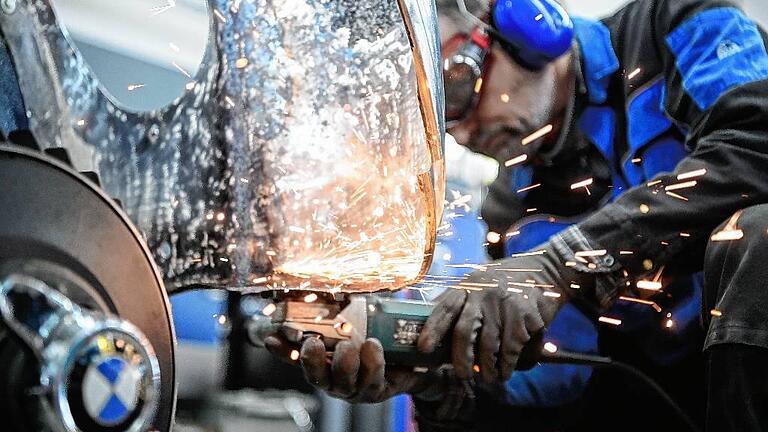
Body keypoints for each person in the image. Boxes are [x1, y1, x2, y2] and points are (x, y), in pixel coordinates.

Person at [265, 0, 768, 430]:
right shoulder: (514, 204)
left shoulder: (673, 25)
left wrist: (563, 262)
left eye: (456, 93)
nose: (459, 134)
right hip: (700, 395)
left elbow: (754, 147)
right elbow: (561, 383)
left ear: (524, 25)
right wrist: (443, 381)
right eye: (438, 120)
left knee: (756, 236)